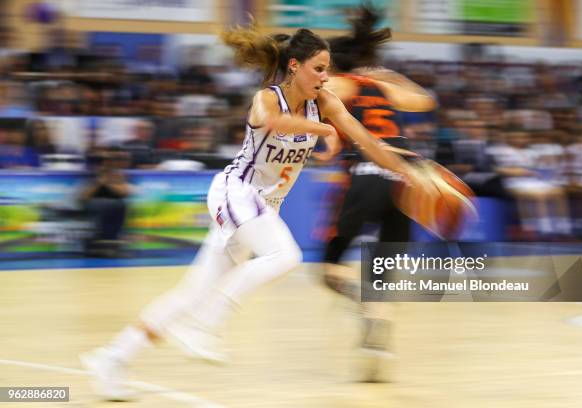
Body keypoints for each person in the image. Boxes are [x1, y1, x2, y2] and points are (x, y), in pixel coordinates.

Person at [80, 23, 419, 401]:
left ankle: (111, 358)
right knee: (286, 256)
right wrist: (322, 131)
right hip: (235, 192)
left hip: (261, 208)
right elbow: (273, 123)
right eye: (318, 68)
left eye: (328, 70)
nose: (325, 77)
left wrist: (402, 169)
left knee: (188, 294)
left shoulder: (324, 103)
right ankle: (207, 322)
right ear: (294, 66)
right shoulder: (268, 98)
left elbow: (365, 138)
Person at [319, 5, 436, 380]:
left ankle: (364, 310)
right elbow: (425, 101)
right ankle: (377, 346)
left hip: (368, 171)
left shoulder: (338, 84)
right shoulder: (383, 85)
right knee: (384, 274)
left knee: (329, 270)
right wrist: (385, 76)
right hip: (406, 178)